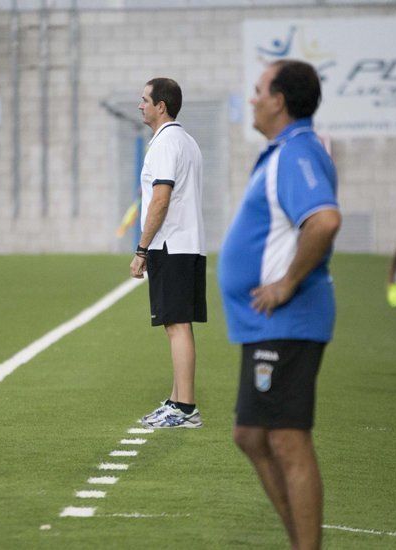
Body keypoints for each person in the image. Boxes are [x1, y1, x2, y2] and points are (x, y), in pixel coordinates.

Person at [218, 59, 340, 549]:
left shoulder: (297, 153)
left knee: (287, 440)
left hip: (286, 321)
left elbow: (324, 221)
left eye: (257, 90)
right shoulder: (284, 152)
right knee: (250, 434)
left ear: (279, 100)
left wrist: (287, 284)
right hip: (265, 325)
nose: (251, 98)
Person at [130, 77, 206, 429]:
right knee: (178, 325)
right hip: (188, 244)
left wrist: (142, 249)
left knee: (176, 327)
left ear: (162, 105)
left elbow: (160, 199)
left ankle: (185, 408)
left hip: (170, 245)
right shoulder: (187, 142)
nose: (140, 105)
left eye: (145, 99)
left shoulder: (164, 145)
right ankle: (178, 400)